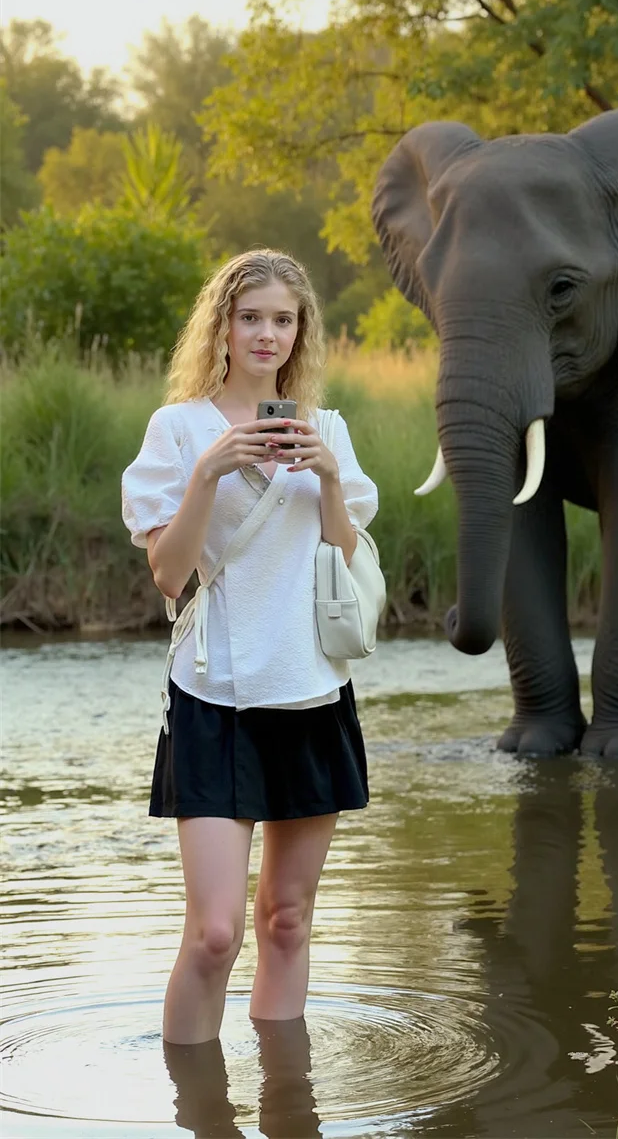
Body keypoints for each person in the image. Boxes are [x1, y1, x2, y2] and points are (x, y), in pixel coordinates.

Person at [121, 249, 377, 1047]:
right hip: (213, 696)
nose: (267, 334)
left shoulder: (327, 430)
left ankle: (282, 1093)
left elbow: (344, 558)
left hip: (310, 691)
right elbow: (169, 576)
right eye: (251, 317)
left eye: (283, 320)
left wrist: (327, 477)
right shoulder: (178, 429)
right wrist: (208, 474)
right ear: (223, 327)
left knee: (288, 918)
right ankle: (192, 1098)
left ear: (300, 332)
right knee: (215, 933)